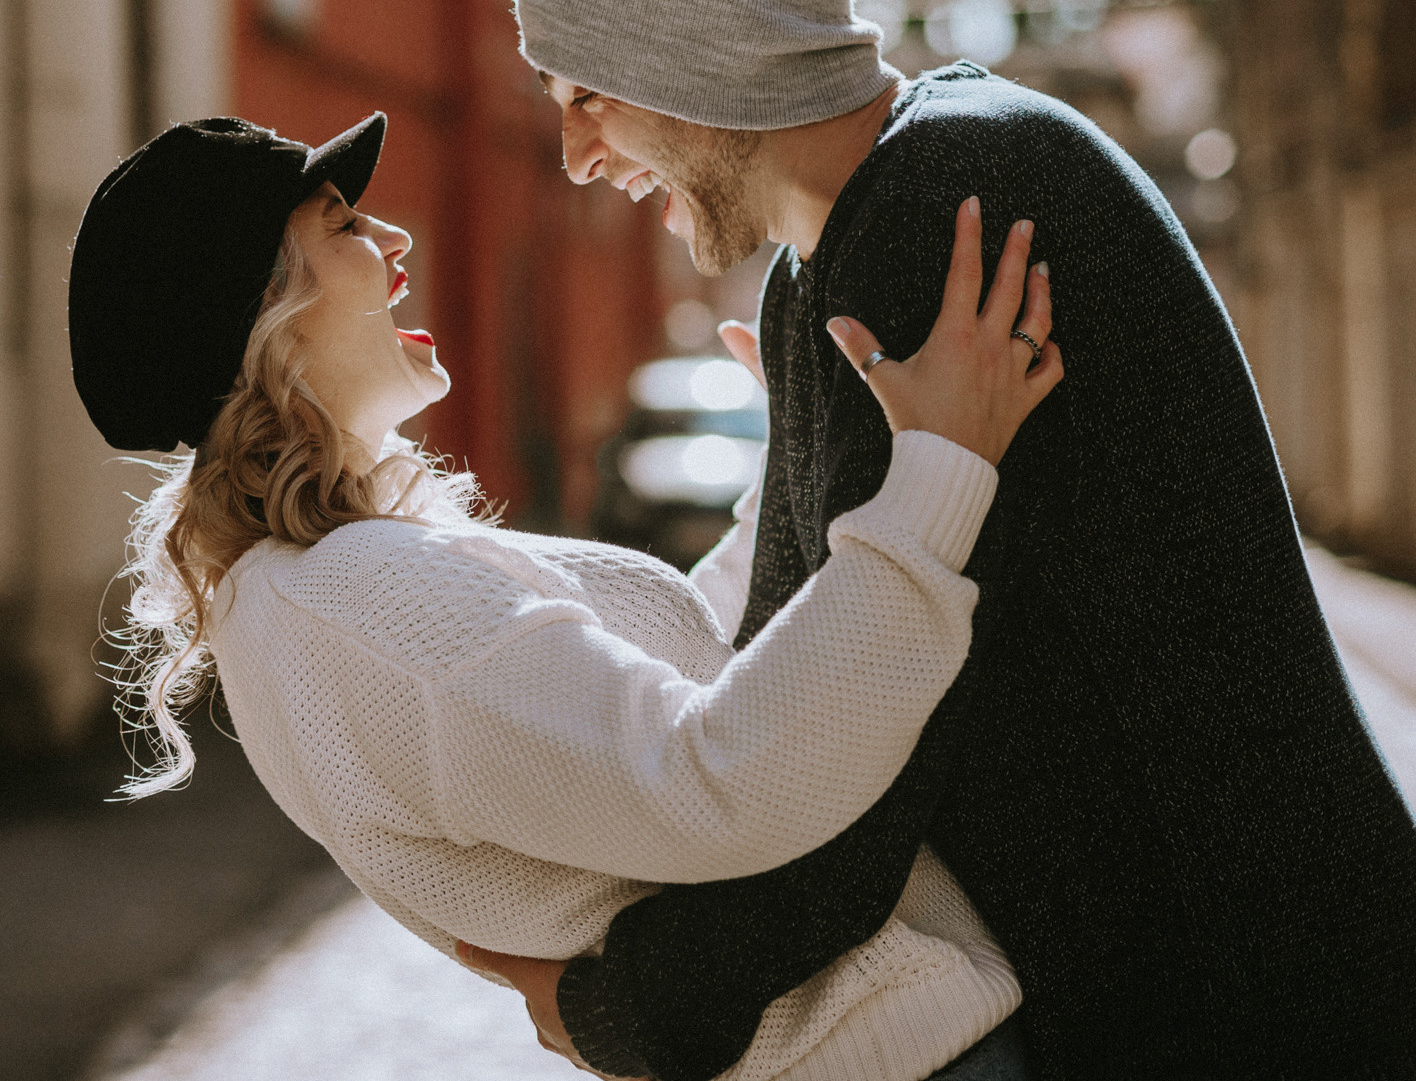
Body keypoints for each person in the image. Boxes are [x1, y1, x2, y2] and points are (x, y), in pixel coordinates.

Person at [476, 0, 1416, 1081]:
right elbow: (798, 676)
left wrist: (630, 1005)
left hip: (1260, 1001)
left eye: (585, 92)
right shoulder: (827, 264)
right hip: (1175, 998)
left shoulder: (949, 201)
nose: (576, 153)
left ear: (689, 53)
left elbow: (862, 753)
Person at [66, 111, 1061, 1081]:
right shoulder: (360, 602)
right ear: (265, 320)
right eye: (341, 225)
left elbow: (689, 672)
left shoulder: (314, 589)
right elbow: (715, 776)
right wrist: (942, 465)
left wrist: (787, 465)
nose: (393, 238)